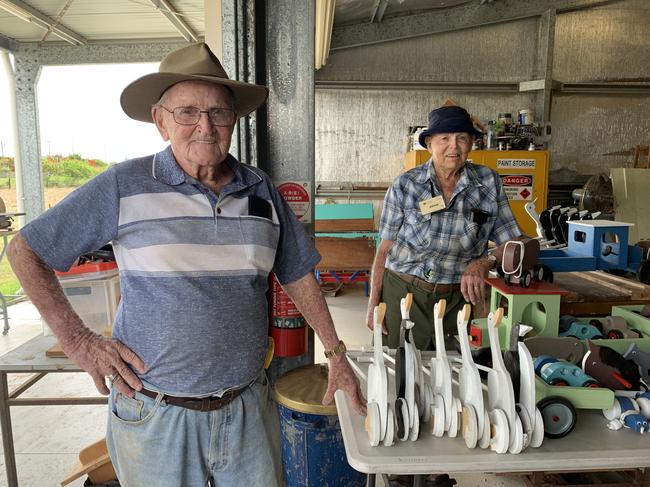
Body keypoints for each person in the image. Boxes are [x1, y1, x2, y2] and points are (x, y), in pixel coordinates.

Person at [8, 42, 365, 487]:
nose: (205, 126)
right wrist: (81, 343)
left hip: (247, 410)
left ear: (233, 120)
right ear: (160, 121)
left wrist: (335, 354)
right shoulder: (125, 184)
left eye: (218, 112)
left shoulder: (260, 189)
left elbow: (295, 273)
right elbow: (25, 250)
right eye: (187, 113)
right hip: (156, 415)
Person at [367, 105, 522, 351]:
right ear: (429, 144)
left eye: (462, 138)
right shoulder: (405, 185)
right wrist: (374, 303)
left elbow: (514, 243)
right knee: (399, 375)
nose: (454, 147)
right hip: (404, 294)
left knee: (457, 375)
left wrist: (485, 262)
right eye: (445, 139)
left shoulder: (488, 183)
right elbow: (384, 250)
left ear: (472, 143)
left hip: (459, 299)